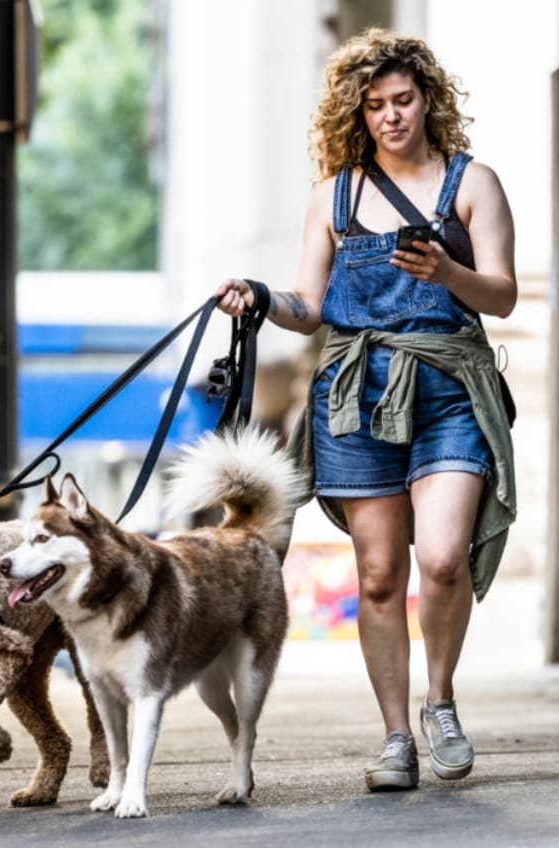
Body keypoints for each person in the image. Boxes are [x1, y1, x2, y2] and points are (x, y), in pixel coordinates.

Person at [215, 28, 516, 791]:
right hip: (353, 396)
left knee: (442, 558)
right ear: (358, 112)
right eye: (376, 104)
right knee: (379, 574)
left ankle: (439, 702)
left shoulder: (471, 183)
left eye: (404, 100)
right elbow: (310, 306)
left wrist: (449, 271)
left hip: (447, 387)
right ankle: (393, 738)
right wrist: (259, 296)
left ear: (428, 101)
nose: (391, 116)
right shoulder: (335, 195)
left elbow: (504, 295)